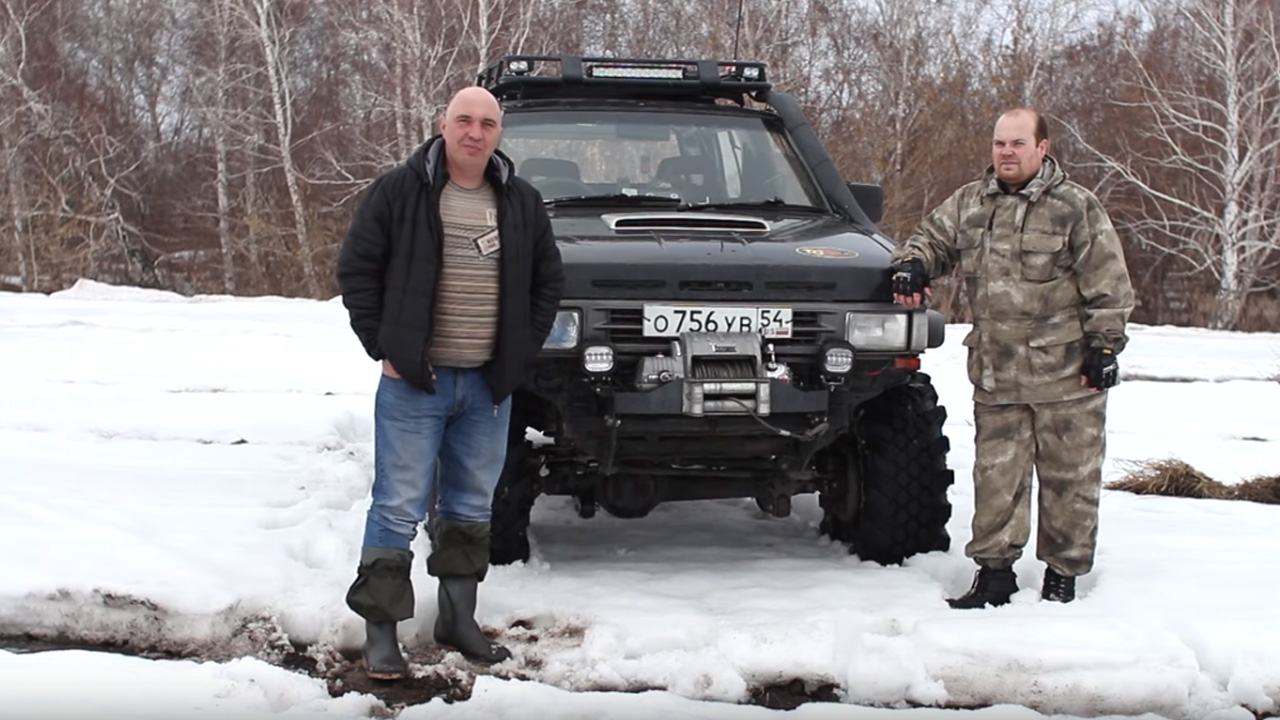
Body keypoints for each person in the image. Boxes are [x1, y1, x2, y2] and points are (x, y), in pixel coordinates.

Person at [335, 86, 564, 678]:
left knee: (470, 505)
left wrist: (516, 355)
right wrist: (384, 347)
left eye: (487, 123)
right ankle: (382, 633)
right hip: (415, 382)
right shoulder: (401, 190)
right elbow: (357, 269)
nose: (475, 132)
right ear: (443, 125)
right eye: (464, 120)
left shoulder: (520, 201)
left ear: (498, 133)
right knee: (396, 506)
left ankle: (457, 621)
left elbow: (547, 283)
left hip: (487, 388)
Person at [888, 107, 1134, 609]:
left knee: (1070, 482)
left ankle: (1062, 576)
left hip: (1067, 376)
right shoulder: (972, 203)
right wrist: (912, 265)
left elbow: (1109, 285)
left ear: (1043, 148)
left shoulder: (1074, 207)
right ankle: (994, 575)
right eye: (1000, 143)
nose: (1006, 153)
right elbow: (931, 239)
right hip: (997, 373)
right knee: (996, 478)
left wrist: (1105, 344)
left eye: (1018, 144)